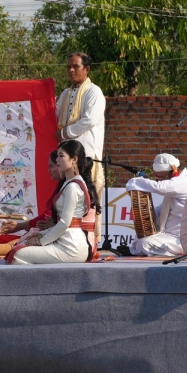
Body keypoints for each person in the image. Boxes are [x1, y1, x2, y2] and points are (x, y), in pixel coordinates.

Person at [8, 140, 97, 265]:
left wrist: (41, 241)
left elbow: (65, 223)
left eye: (61, 156)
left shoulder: (73, 187)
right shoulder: (70, 183)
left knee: (18, 255)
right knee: (21, 247)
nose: (57, 160)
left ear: (74, 159)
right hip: (68, 241)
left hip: (71, 246)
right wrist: (41, 234)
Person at [56, 52, 105, 242]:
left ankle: (92, 240)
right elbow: (54, 113)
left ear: (87, 69)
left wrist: (63, 134)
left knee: (89, 200)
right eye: (68, 66)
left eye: (75, 67)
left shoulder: (94, 92)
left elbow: (89, 120)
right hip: (67, 158)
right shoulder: (65, 94)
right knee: (67, 198)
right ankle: (67, 236)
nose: (70, 70)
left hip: (87, 156)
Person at [122, 153, 187, 257]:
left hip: (181, 239)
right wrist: (149, 212)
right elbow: (163, 209)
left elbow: (161, 187)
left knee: (145, 243)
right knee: (140, 239)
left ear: (174, 170)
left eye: (162, 177)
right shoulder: (174, 184)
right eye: (157, 177)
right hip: (168, 236)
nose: (160, 180)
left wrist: (135, 183)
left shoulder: (185, 181)